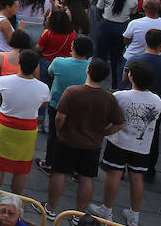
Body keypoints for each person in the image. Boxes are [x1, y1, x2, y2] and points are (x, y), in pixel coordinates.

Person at [45, 56, 122, 217]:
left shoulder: (72, 91)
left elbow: (60, 117)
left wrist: (60, 131)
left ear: (88, 71)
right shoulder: (109, 98)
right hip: (92, 145)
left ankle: (51, 208)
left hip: (67, 140)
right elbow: (118, 123)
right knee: (86, 178)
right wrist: (103, 132)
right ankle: (78, 214)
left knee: (59, 173)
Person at [91, 59, 161, 226]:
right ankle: (134, 215)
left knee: (114, 174)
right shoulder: (157, 101)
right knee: (137, 177)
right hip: (142, 146)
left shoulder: (120, 96)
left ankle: (107, 209)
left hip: (119, 141)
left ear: (131, 77)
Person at [0, 49, 49, 201]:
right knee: (21, 168)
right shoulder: (43, 88)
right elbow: (42, 105)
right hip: (27, 130)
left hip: (4, 125)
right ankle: (15, 199)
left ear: (19, 63)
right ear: (36, 67)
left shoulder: (4, 81)